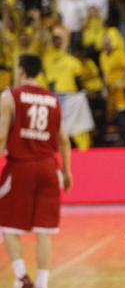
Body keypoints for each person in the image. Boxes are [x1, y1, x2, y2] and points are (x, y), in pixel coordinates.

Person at [0, 54, 72, 288]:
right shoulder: (53, 100)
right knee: (45, 231)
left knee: (7, 224)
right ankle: (42, 283)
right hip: (50, 168)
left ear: (20, 70)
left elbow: (1, 137)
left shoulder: (10, 96)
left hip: (21, 166)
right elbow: (64, 140)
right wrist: (67, 172)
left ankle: (21, 277)